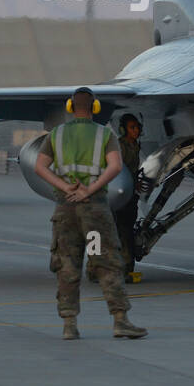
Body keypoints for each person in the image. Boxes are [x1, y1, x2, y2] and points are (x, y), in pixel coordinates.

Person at [34, 87, 147, 340]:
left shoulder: (57, 134)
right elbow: (116, 166)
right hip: (94, 210)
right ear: (95, 107)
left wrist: (65, 187)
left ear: (70, 107)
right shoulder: (104, 134)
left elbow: (40, 166)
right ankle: (120, 321)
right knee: (106, 263)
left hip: (65, 208)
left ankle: (69, 325)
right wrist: (90, 189)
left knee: (67, 264)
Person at [115, 114, 143, 284]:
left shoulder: (135, 146)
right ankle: (122, 269)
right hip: (120, 195)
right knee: (122, 232)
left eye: (137, 127)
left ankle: (126, 269)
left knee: (127, 232)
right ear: (124, 129)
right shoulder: (119, 147)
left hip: (130, 194)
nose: (136, 131)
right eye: (132, 127)